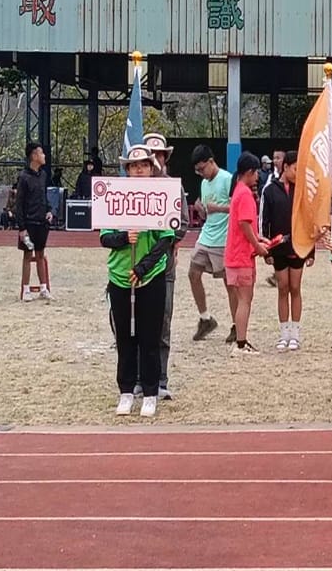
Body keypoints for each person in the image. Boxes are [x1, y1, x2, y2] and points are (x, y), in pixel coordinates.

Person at [100, 145, 175, 418]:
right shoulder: (115, 196)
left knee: (150, 337)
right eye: (134, 166)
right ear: (127, 170)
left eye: (143, 165)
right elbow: (104, 237)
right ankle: (126, 390)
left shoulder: (159, 196)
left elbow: (166, 238)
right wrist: (123, 238)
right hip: (120, 278)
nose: (138, 170)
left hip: (150, 277)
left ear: (151, 168)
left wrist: (144, 267)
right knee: (125, 338)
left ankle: (152, 392)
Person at [141, 133, 185, 399]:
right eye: (150, 155)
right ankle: (137, 378)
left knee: (162, 323)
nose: (155, 160)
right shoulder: (129, 189)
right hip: (133, 266)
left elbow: (182, 223)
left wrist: (168, 239)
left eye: (159, 155)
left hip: (165, 266)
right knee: (135, 324)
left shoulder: (173, 187)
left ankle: (160, 380)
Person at [261, 149, 313, 351]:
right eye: (295, 168)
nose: (298, 173)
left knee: (295, 288)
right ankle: (284, 333)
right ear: (285, 167)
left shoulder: (302, 191)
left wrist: (311, 250)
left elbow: (308, 220)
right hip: (278, 247)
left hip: (299, 246)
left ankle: (296, 333)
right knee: (282, 287)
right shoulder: (270, 190)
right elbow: (264, 221)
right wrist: (266, 249)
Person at [225, 152, 271, 356]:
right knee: (245, 299)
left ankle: (241, 339)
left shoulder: (238, 191)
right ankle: (241, 342)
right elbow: (244, 224)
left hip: (236, 254)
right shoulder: (244, 194)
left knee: (242, 298)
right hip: (241, 255)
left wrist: (259, 239)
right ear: (250, 172)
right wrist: (257, 245)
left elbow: (245, 225)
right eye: (256, 173)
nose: (258, 177)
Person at [188, 145, 234, 342]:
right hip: (207, 235)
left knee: (229, 283)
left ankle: (236, 325)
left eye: (201, 169)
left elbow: (237, 206)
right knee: (193, 273)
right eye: (197, 170)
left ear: (211, 161)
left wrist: (219, 208)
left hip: (222, 240)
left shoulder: (227, 179)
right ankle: (205, 318)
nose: (200, 173)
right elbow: (207, 211)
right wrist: (201, 209)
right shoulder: (204, 183)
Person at [15, 142, 54, 301]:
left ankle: (43, 288)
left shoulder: (43, 175)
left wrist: (49, 210)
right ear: (34, 156)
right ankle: (25, 289)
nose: (44, 156)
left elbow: (44, 196)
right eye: (41, 153)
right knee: (27, 254)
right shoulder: (24, 177)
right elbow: (19, 203)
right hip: (29, 222)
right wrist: (21, 227)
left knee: (40, 254)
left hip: (41, 221)